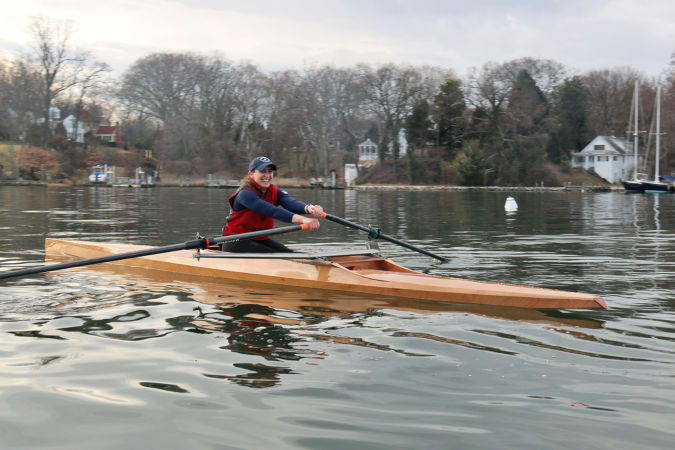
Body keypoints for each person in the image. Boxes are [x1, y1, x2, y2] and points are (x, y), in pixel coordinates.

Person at [222, 156, 324, 252]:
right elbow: (272, 211)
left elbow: (291, 204)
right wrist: (303, 219)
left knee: (292, 255)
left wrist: (310, 208)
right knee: (283, 259)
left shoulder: (274, 191)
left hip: (259, 239)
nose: (267, 175)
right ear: (251, 174)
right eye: (262, 171)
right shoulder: (245, 194)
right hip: (235, 241)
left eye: (270, 171)